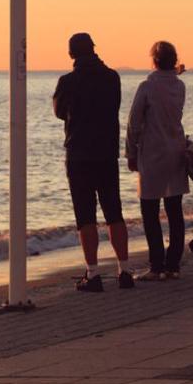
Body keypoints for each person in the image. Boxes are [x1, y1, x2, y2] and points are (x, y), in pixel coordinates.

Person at [53, 32, 134, 293]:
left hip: (79, 153)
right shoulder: (112, 78)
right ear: (94, 49)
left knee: (85, 215)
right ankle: (124, 269)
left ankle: (93, 272)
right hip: (106, 152)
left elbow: (58, 112)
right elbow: (115, 106)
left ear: (71, 54)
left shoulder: (68, 81)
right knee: (114, 212)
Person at [126, 41, 189, 280]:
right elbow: (169, 83)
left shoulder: (147, 87)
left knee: (150, 210)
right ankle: (173, 264)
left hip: (153, 152)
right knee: (174, 210)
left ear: (153, 61)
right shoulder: (179, 86)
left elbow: (134, 123)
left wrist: (130, 153)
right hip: (176, 150)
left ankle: (156, 265)